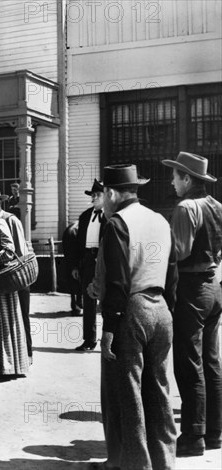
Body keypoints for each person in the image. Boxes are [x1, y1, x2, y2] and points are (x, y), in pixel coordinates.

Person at [100, 164, 178, 469]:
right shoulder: (159, 220)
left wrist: (110, 326)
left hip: (132, 309)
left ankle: (136, 465)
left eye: (104, 195)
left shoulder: (118, 223)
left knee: (129, 394)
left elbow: (117, 281)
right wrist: (166, 307)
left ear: (110, 193)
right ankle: (164, 462)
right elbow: (171, 272)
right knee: (159, 390)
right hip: (161, 308)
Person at [162, 152, 222, 456]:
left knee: (189, 363)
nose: (172, 181)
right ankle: (215, 433)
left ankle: (193, 437)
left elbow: (180, 252)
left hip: (191, 289)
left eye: (175, 176)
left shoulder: (185, 208)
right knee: (212, 362)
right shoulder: (217, 206)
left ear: (187, 179)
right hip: (214, 287)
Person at [0, 186, 34, 363]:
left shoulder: (10, 220)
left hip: (15, 274)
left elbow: (19, 252)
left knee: (21, 315)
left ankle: (27, 353)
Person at [71, 179, 106, 351]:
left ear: (106, 196)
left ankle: (110, 339)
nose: (94, 198)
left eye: (98, 195)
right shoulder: (85, 216)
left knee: (107, 300)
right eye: (92, 195)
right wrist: (77, 266)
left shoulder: (112, 216)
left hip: (105, 261)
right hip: (87, 259)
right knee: (88, 298)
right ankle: (89, 339)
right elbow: (78, 243)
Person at [62, 221, 83, 316]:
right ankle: (78, 303)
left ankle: (75, 303)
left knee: (72, 279)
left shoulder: (68, 230)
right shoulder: (79, 230)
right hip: (79, 260)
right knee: (80, 279)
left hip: (68, 260)